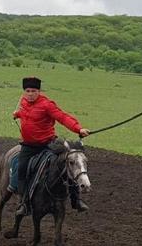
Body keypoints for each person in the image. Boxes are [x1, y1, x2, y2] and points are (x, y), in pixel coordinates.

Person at [12, 77, 90, 215]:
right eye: (27, 91)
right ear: (24, 92)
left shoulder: (47, 105)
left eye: (33, 91)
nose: (30, 94)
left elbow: (63, 117)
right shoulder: (23, 103)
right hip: (29, 145)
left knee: (66, 165)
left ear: (39, 91)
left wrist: (78, 129)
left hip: (48, 143)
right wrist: (18, 114)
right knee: (21, 169)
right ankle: (24, 204)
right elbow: (27, 114)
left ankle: (76, 200)